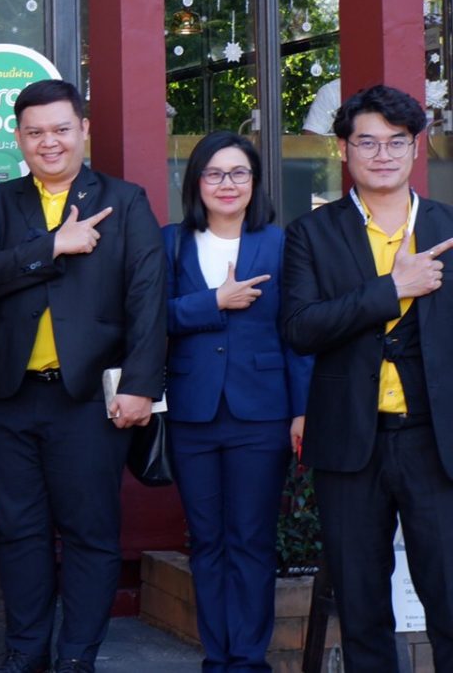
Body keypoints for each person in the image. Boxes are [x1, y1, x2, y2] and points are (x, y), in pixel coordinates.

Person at [0, 79, 166, 673]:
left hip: (90, 400)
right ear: (19, 138)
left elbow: (148, 298)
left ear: (83, 130)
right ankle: (26, 652)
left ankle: (76, 657)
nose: (48, 142)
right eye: (35, 132)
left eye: (60, 129)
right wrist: (54, 245)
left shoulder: (126, 201)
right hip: (9, 398)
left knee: (90, 533)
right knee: (18, 532)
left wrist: (141, 387)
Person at [281, 85, 453, 670]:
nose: (383, 155)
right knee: (361, 607)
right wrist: (392, 290)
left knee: (449, 596)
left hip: (436, 441)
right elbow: (300, 327)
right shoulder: (311, 233)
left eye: (396, 142)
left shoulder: (447, 226)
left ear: (415, 147)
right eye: (368, 142)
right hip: (349, 443)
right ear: (343, 149)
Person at [162, 131, 310, 672]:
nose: (227, 184)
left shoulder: (280, 243)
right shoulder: (171, 242)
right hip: (192, 412)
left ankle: (247, 661)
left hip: (262, 412)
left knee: (251, 539)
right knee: (206, 541)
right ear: (196, 182)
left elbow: (297, 332)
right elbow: (150, 318)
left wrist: (302, 409)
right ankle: (217, 657)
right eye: (215, 173)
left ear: (254, 182)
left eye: (239, 173)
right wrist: (214, 302)